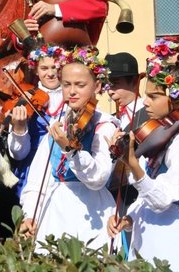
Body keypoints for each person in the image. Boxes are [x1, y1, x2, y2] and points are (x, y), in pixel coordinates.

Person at [108, 41, 179, 268]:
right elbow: (148, 197)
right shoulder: (165, 133)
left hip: (174, 240)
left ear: (175, 99)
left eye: (154, 96)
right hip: (149, 236)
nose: (145, 102)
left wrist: (134, 165)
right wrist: (129, 217)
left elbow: (163, 199)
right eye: (146, 95)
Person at [19, 47, 117, 250]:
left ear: (97, 86)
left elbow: (98, 178)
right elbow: (37, 180)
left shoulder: (104, 126)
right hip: (54, 211)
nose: (72, 92)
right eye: (66, 84)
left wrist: (71, 151)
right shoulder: (59, 124)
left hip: (92, 212)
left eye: (80, 85)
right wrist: (30, 214)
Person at [6, 44, 68, 195]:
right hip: (34, 168)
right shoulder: (25, 98)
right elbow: (18, 154)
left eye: (55, 67)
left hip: (65, 167)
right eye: (44, 68)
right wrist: (19, 128)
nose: (51, 73)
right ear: (35, 70)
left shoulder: (73, 97)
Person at [105, 52, 144, 131]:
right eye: (106, 86)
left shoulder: (153, 113)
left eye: (115, 83)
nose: (109, 92)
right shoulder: (112, 121)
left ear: (135, 81)